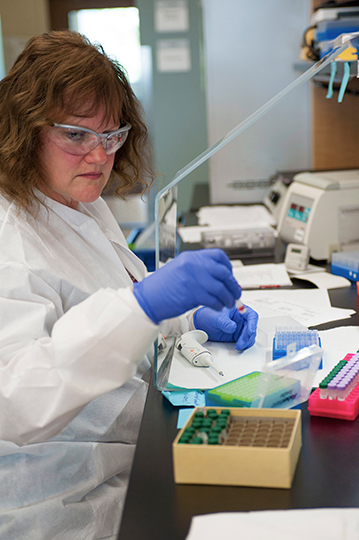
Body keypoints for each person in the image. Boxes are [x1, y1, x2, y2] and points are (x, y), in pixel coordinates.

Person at [0, 30, 258, 540]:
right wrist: (146, 302)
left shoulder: (80, 202)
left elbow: (115, 293)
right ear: (24, 129)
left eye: (112, 135)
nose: (100, 156)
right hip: (60, 499)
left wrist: (188, 314)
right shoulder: (10, 237)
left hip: (128, 453)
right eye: (76, 135)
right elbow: (17, 399)